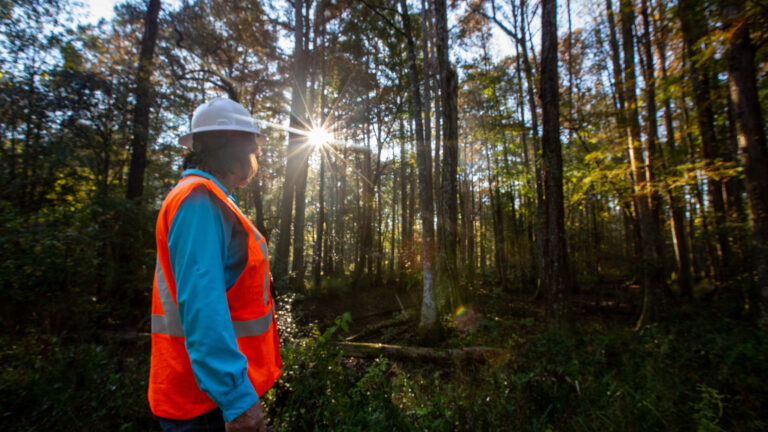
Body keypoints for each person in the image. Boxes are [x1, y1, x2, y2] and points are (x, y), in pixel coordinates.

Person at [148, 98, 281, 432]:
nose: (255, 158)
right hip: (203, 404)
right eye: (253, 149)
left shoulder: (212, 200)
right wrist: (237, 400)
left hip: (206, 396)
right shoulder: (198, 201)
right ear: (237, 149)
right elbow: (203, 309)